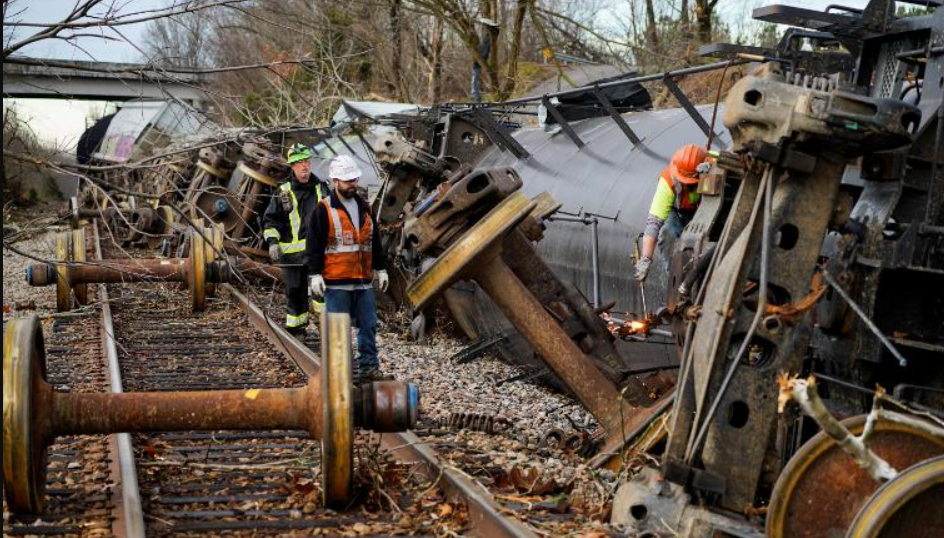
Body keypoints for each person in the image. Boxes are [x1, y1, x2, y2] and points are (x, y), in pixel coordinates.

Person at [307, 154, 389, 383]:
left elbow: (375, 242)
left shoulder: (364, 208)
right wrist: (314, 275)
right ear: (335, 181)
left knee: (369, 325)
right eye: (347, 180)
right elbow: (313, 245)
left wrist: (381, 269)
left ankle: (369, 368)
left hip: (363, 281)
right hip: (337, 282)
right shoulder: (324, 210)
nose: (352, 184)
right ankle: (339, 374)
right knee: (338, 331)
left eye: (354, 179)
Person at [262, 143, 329, 336]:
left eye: (307, 161)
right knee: (295, 292)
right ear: (292, 166)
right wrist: (273, 243)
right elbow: (270, 221)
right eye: (299, 163)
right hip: (291, 256)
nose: (304, 166)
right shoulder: (283, 192)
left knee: (321, 292)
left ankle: (326, 327)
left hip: (317, 253)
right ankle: (296, 329)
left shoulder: (321, 188)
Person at [634, 143, 713, 281]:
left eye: (691, 182)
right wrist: (646, 259)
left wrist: (714, 171)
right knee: (667, 233)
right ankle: (677, 280)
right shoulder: (668, 181)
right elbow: (653, 223)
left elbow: (729, 157)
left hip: (706, 210)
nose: (686, 184)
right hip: (678, 213)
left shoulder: (712, 165)